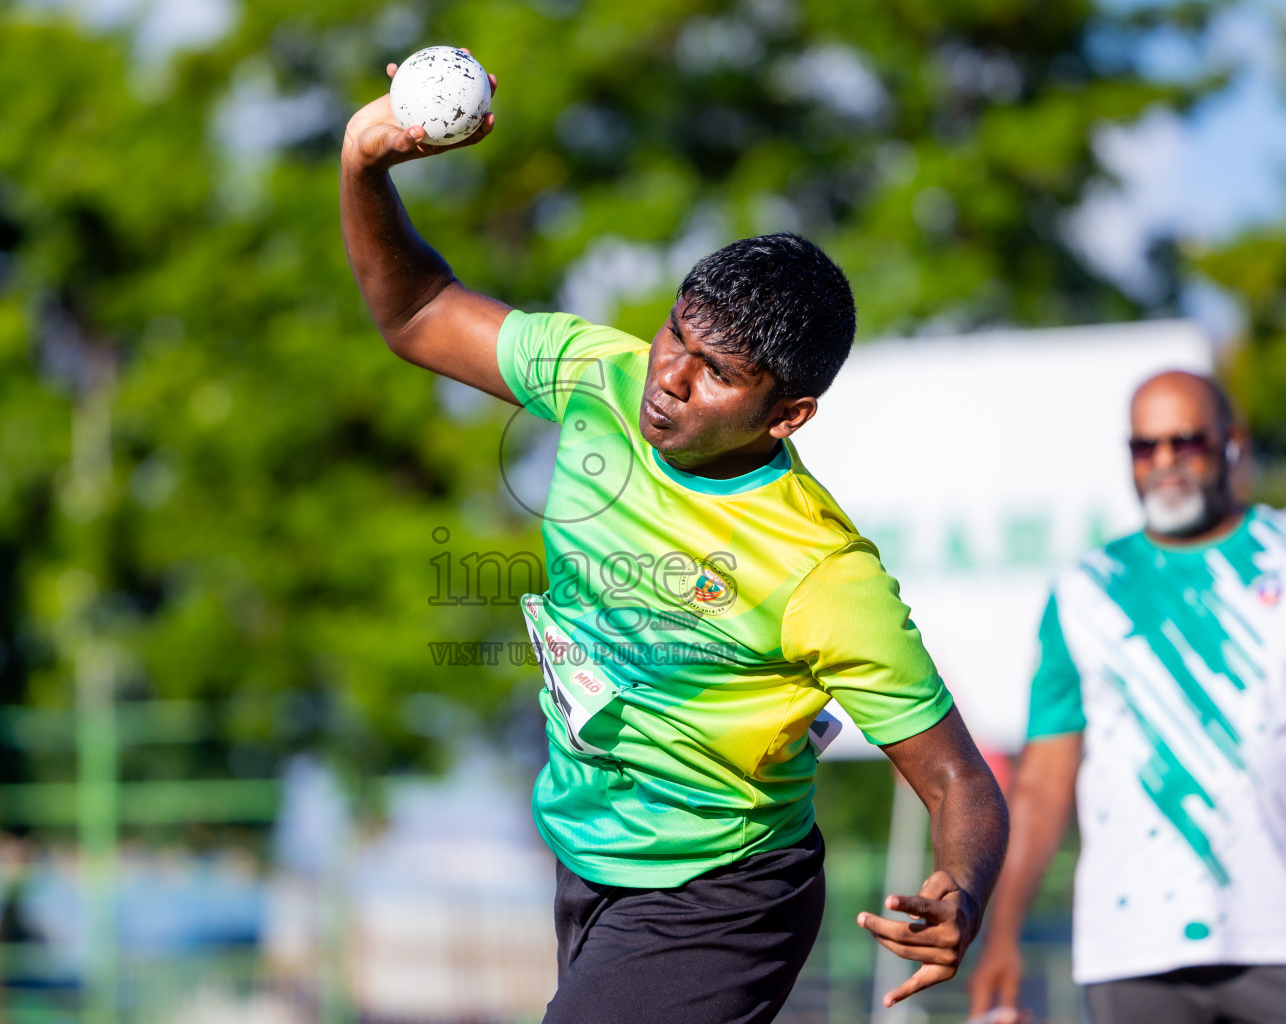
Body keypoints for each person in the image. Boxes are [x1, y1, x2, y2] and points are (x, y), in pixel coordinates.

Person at [341, 58, 1008, 1024]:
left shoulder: (820, 570)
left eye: (717, 372)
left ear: (789, 415)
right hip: (589, 855)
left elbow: (957, 778)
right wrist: (365, 165)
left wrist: (962, 890)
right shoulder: (596, 377)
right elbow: (414, 314)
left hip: (728, 893)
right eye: (674, 336)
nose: (671, 378)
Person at [967, 371, 1286, 1024]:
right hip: (1132, 948)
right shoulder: (1085, 590)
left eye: (1185, 443)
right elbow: (1043, 784)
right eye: (1145, 448)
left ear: (1231, 443)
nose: (1165, 464)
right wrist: (1002, 935)